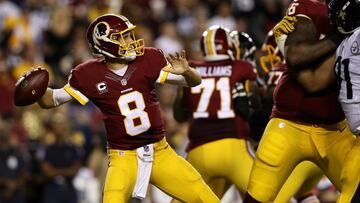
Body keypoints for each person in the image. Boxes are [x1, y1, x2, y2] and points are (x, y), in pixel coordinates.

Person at [24, 14, 220, 203]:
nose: (130, 40)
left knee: (206, 199)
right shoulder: (87, 74)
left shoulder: (148, 58)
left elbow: (194, 82)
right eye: (123, 37)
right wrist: (37, 89)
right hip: (123, 157)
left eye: (129, 35)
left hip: (161, 152)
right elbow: (52, 100)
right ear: (106, 43)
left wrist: (187, 71)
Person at [243, 0, 358, 202]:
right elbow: (309, 77)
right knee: (257, 198)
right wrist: (340, 36)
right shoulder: (308, 14)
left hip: (336, 129)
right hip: (289, 124)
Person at [172, 25, 258, 200]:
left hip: (200, 151)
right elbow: (254, 102)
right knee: (263, 195)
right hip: (234, 147)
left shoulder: (192, 69)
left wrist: (181, 92)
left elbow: (179, 117)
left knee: (185, 198)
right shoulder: (241, 67)